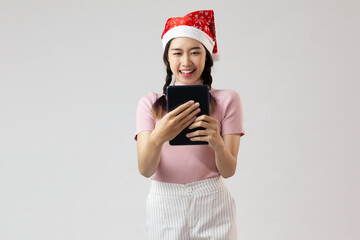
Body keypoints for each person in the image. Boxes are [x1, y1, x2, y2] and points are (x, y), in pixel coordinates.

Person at [134, 10, 245, 240]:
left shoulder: (228, 100)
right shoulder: (149, 104)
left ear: (206, 56)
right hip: (165, 202)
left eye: (195, 52)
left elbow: (229, 170)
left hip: (212, 201)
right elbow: (145, 169)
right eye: (177, 53)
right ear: (167, 58)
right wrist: (159, 136)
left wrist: (217, 143)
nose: (186, 62)